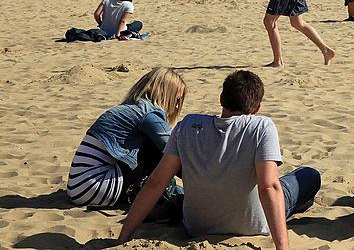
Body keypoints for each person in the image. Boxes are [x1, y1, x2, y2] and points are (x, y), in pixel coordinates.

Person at [116, 71, 321, 249]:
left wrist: (124, 236)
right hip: (252, 224)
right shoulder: (261, 127)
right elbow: (269, 187)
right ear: (257, 107)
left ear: (222, 99)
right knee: (308, 175)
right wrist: (282, 247)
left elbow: (156, 182)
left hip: (197, 226)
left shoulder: (186, 125)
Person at [68, 67, 187, 210]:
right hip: (95, 188)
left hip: (77, 187)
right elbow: (173, 149)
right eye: (178, 99)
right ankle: (176, 194)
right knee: (157, 151)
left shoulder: (130, 108)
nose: (177, 105)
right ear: (167, 94)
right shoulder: (148, 113)